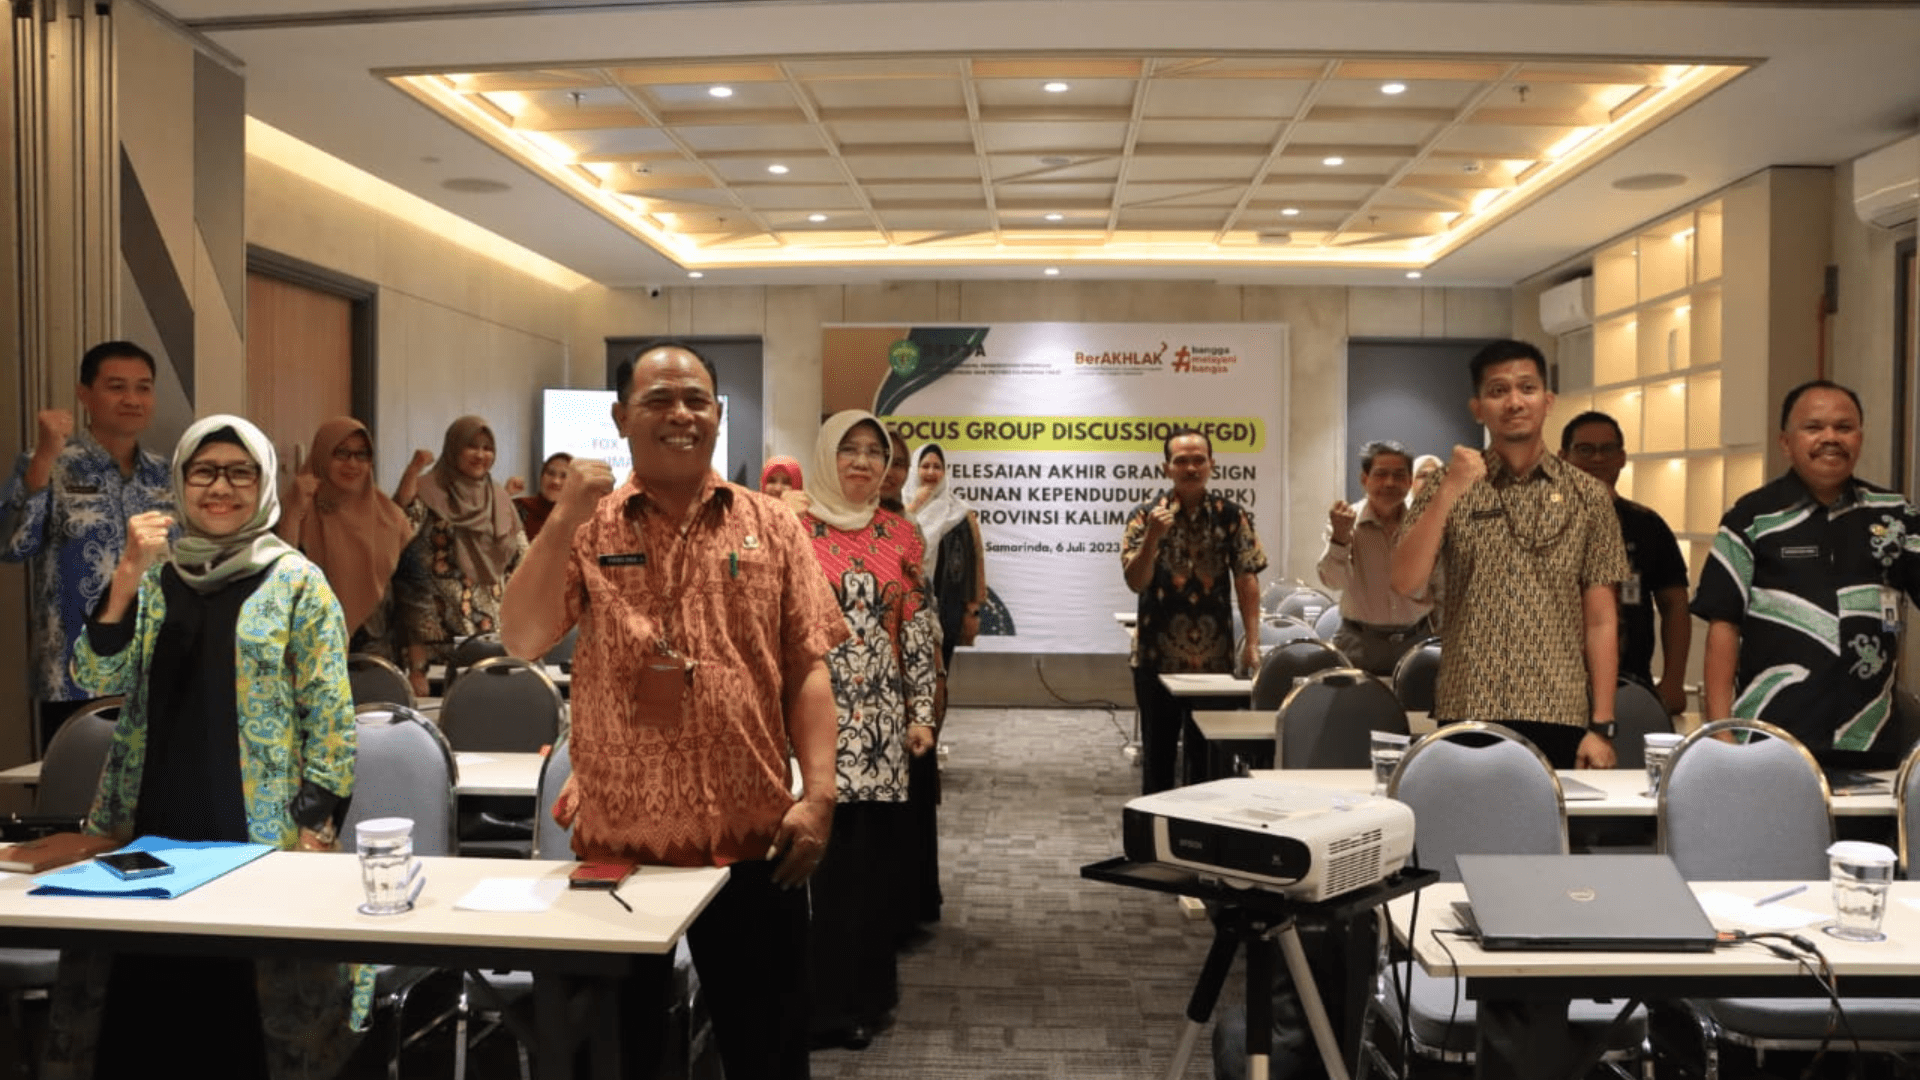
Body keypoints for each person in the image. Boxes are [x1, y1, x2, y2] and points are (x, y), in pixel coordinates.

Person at [499, 341, 845, 1080]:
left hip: (754, 843)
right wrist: (562, 517)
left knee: (768, 1053)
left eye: (695, 400)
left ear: (719, 415)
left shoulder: (773, 525)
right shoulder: (588, 526)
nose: (680, 414)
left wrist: (819, 796)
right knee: (624, 1058)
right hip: (623, 847)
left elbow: (807, 667)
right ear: (622, 418)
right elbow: (522, 635)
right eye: (658, 400)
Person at [43, 415, 369, 1080]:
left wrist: (314, 825)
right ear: (182, 482)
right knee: (144, 1018)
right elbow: (96, 676)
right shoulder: (158, 578)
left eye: (239, 472)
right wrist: (130, 569)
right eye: (204, 472)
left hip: (259, 830)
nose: (221, 488)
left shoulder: (297, 583)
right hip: (150, 825)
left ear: (264, 483)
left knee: (248, 1021)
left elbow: (331, 720)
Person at [1391, 339, 1630, 770]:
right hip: (1469, 703)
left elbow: (1601, 619)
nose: (1514, 401)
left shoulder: (1589, 496)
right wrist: (1447, 492)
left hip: (1559, 710)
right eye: (1498, 390)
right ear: (1478, 408)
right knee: (1468, 835)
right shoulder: (1450, 484)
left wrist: (1602, 725)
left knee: (1547, 836)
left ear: (1548, 400)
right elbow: (1406, 582)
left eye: (1527, 388)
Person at [800, 410, 939, 1050]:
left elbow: (913, 624)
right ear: (827, 456)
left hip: (881, 722)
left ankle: (864, 1000)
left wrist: (921, 715)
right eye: (848, 450)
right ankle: (810, 1002)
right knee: (812, 867)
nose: (860, 462)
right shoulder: (791, 528)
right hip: (810, 714)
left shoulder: (901, 535)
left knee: (864, 867)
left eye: (872, 453)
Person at [1694, 380, 1920, 765]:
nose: (1830, 438)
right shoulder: (1751, 518)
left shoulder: (1895, 515)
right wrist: (1721, 730)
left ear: (1860, 438)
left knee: (1865, 828)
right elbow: (1723, 626)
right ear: (1786, 442)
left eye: (1844, 428)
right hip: (1768, 737)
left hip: (1869, 738)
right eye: (1814, 427)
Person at [1, 341, 173, 752]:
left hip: (157, 671)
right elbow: (12, 544)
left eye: (143, 387)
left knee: (154, 805)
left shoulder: (167, 474)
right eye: (117, 387)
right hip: (73, 676)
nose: (132, 399)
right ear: (84, 394)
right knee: (77, 800)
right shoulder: (47, 464)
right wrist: (44, 458)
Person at [1122, 428, 1269, 795]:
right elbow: (1135, 581)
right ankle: (1155, 839)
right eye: (1181, 461)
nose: (1191, 468)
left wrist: (1253, 642)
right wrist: (1153, 538)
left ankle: (1203, 838)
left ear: (1212, 465)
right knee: (1158, 758)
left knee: (1208, 761)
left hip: (1213, 660)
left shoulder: (1231, 515)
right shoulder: (1144, 516)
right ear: (1166, 468)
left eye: (1198, 460)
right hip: (1156, 657)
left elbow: (1247, 579)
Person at [1558, 411, 1692, 714]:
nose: (1597, 459)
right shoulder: (1539, 523)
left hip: (1631, 686)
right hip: (1552, 687)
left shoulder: (1647, 524)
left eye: (1607, 450)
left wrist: (1673, 681)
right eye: (1585, 449)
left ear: (1621, 458)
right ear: (1562, 458)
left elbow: (1675, 605)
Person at [276, 417, 419, 666]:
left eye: (361, 455)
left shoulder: (391, 518)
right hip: (310, 656)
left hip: (378, 659)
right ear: (321, 456)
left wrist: (418, 666)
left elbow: (413, 595)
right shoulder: (298, 509)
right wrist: (293, 513)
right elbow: (281, 578)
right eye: (341, 454)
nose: (352, 464)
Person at [402, 415, 527, 674]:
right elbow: (397, 548)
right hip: (436, 643)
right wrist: (411, 474)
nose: (481, 455)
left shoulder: (500, 498)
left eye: (487, 448)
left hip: (493, 640)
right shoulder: (426, 492)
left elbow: (523, 563)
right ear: (453, 448)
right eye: (472, 446)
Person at [1317, 439, 1433, 675]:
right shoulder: (1346, 521)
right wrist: (1340, 538)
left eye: (1399, 475)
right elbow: (1333, 582)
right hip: (1359, 644)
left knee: (1421, 711)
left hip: (1417, 640)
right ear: (1364, 480)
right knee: (1357, 710)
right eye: (1380, 474)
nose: (1390, 483)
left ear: (1409, 481)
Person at [907, 442, 988, 673]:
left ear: (945, 472)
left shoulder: (960, 514)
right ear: (915, 469)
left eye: (937, 466)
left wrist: (972, 609)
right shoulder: (899, 510)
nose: (931, 472)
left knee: (939, 675)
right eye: (925, 466)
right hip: (905, 608)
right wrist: (916, 505)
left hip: (947, 608)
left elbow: (975, 563)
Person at [511, 451, 571, 541]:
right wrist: (505, 494)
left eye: (564, 476)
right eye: (550, 473)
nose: (555, 481)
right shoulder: (520, 507)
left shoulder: (580, 521)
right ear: (541, 476)